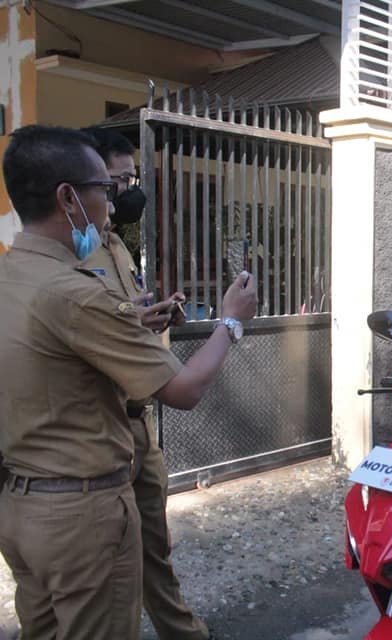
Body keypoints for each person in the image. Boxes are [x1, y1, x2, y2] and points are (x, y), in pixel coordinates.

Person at [0, 125, 257, 640]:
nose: (113, 203)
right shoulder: (73, 291)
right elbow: (184, 391)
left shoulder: (14, 276)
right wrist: (231, 321)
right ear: (68, 197)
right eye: (105, 188)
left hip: (25, 507)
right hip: (83, 515)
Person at [81, 127, 209, 640]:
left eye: (134, 177)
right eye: (119, 180)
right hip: (100, 431)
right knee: (107, 567)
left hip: (139, 424)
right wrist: (233, 326)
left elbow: (118, 319)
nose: (130, 190)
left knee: (155, 545)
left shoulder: (115, 245)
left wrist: (149, 314)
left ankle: (181, 631)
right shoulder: (69, 257)